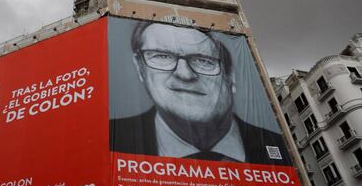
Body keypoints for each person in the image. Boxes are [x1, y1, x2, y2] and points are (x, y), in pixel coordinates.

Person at [110, 22, 291, 165]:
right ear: (140, 68)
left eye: (203, 60)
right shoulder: (111, 141)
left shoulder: (279, 148)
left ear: (231, 77)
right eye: (162, 56)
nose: (185, 74)